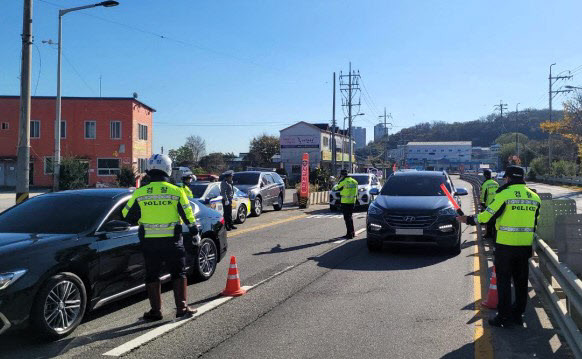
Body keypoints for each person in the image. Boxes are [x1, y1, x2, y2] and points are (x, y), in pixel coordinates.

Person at [457, 166, 541, 327]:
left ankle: (503, 317)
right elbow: (536, 222)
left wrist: (467, 220)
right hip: (524, 246)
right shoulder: (535, 197)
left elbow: (487, 216)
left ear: (508, 178)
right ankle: (517, 315)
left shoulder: (504, 194)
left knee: (503, 282)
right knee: (521, 283)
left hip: (505, 246)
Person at [123, 154, 198, 321]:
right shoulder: (176, 191)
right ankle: (182, 308)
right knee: (178, 273)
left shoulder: (140, 193)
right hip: (172, 241)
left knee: (152, 275)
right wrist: (194, 233)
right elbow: (188, 215)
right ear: (168, 169)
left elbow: (127, 215)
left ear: (150, 170)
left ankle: (155, 311)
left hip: (149, 243)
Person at [333, 169, 359, 239]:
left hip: (345, 202)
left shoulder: (343, 181)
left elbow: (335, 188)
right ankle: (352, 233)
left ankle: (349, 234)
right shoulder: (354, 181)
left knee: (347, 218)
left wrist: (337, 183)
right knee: (350, 217)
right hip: (352, 201)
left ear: (342, 175)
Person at [480, 169, 499, 239]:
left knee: (488, 220)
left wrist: (482, 203)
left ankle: (488, 234)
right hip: (496, 204)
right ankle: (495, 235)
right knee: (495, 220)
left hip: (488, 205)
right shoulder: (496, 183)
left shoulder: (485, 184)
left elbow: (483, 195)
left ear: (485, 175)